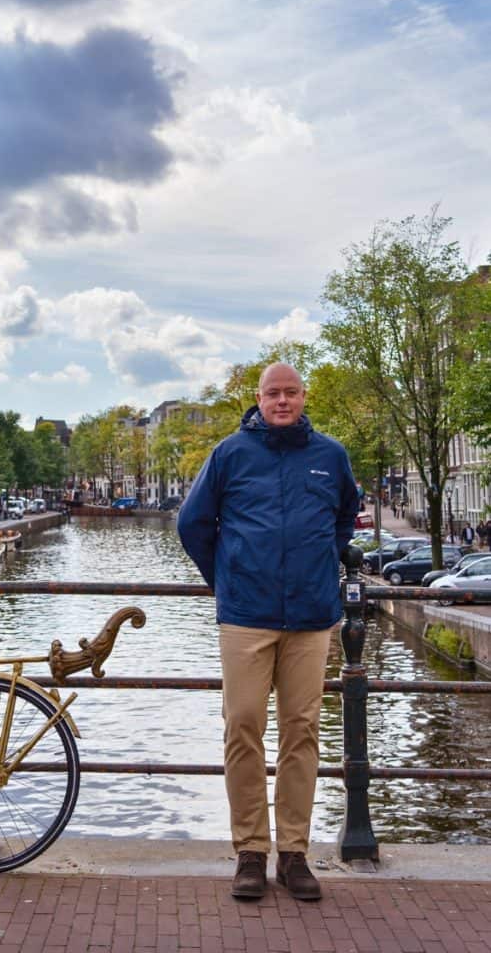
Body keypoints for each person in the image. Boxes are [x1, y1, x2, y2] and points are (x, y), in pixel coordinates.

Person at [177, 363, 359, 902]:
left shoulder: (330, 456)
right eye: (273, 394)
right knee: (243, 726)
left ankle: (296, 854)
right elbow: (192, 524)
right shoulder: (230, 454)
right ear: (257, 399)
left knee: (301, 731)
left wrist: (323, 562)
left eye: (291, 393)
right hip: (246, 617)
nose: (282, 401)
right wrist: (227, 579)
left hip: (310, 618)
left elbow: (346, 517)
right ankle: (251, 851)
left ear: (304, 397)